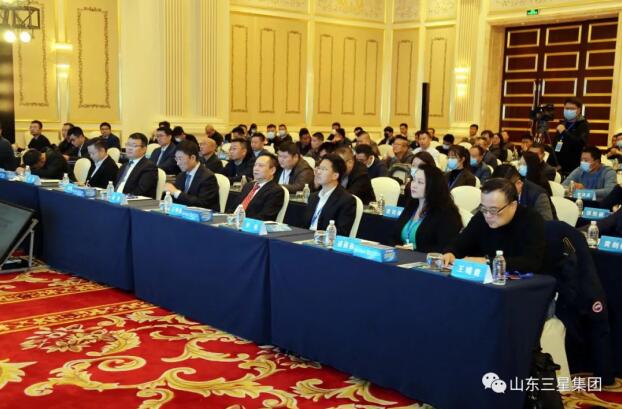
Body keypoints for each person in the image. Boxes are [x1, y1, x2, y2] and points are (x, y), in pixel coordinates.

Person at [443, 178, 546, 273]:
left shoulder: (531, 219)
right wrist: (450, 253)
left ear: (513, 205)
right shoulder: (481, 217)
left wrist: (487, 262)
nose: (487, 215)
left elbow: (532, 262)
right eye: (484, 208)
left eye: (493, 210)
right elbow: (460, 243)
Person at [392, 164, 463, 252]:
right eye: (413, 180)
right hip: (402, 255)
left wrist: (413, 250)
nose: (413, 185)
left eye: (420, 182)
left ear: (433, 186)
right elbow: (394, 235)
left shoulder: (447, 213)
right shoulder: (412, 205)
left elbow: (444, 247)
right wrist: (396, 246)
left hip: (425, 258)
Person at [304, 154, 356, 236]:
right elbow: (303, 225)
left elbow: (341, 232)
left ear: (335, 175)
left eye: (324, 169)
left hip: (325, 241)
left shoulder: (346, 200)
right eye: (319, 168)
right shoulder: (313, 197)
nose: (318, 172)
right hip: (305, 238)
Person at [163, 140, 219, 210]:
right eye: (176, 159)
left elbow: (202, 203)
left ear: (193, 158)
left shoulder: (208, 177)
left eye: (180, 158)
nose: (178, 163)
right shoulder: (181, 175)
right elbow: (176, 199)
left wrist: (176, 192)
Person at [234, 153, 284, 221]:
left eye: (261, 166)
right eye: (255, 165)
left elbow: (265, 217)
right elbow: (234, 208)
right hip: (234, 222)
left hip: (251, 224)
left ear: (272, 170)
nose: (256, 168)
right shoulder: (248, 186)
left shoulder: (276, 191)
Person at [115, 133, 158, 198]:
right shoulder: (124, 166)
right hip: (115, 199)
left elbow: (141, 190)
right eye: (128, 145)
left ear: (144, 149)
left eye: (134, 146)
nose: (129, 148)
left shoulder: (149, 167)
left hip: (134, 201)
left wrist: (122, 198)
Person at [554, 97, 590, 176]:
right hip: (558, 165)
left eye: (572, 108)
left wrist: (564, 132)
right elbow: (556, 144)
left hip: (573, 166)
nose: (569, 111)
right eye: (567, 108)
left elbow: (580, 143)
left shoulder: (583, 124)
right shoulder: (562, 123)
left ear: (578, 110)